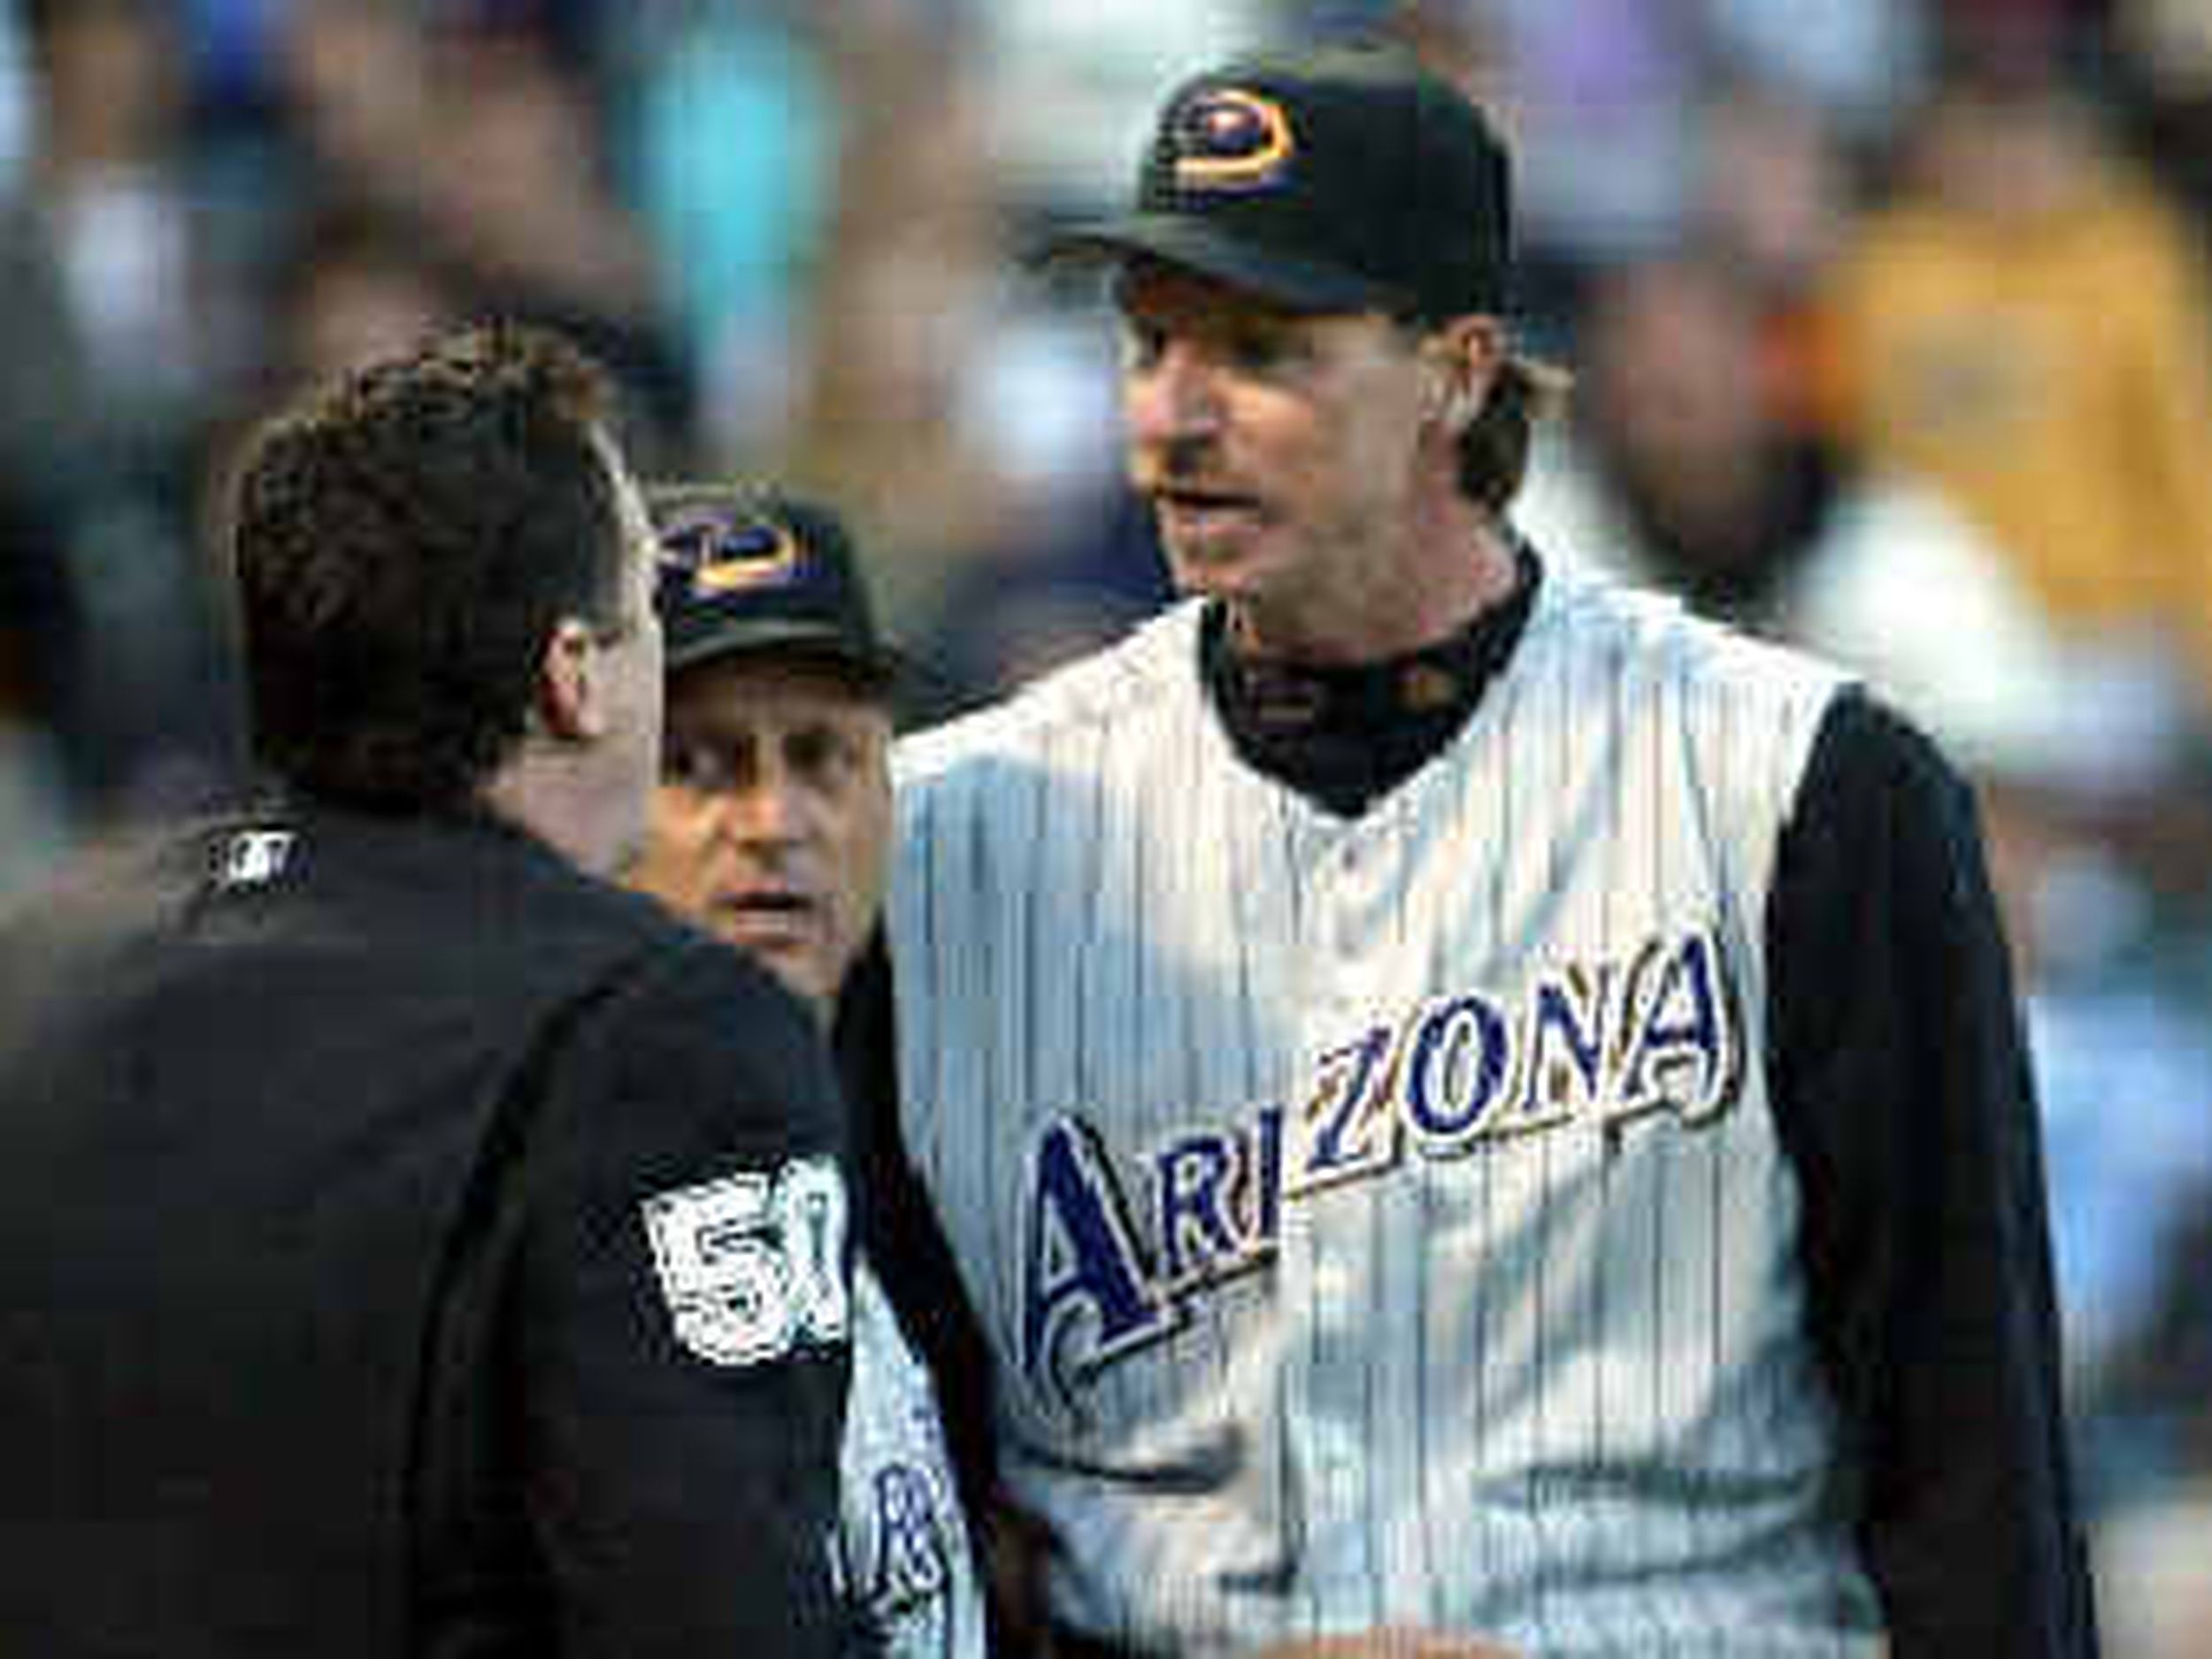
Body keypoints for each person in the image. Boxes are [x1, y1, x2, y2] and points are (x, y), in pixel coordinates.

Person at [862, 38, 2099, 1657]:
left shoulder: (1804, 792)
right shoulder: (947, 841)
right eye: (1149, 344)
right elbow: (904, 1526)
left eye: (1259, 349)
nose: (1173, 414)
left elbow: (1971, 1485)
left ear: (1456, 372)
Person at [0, 324, 853, 1655]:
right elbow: (713, 1617)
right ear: (573, 676)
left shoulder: (38, 959)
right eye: (645, 606)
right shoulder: (666, 1041)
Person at [628, 483, 987, 1658]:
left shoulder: (933, 1125)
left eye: (823, 755)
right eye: (701, 764)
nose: (774, 818)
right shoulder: (576, 1188)